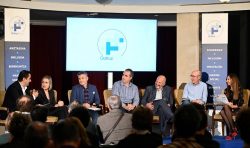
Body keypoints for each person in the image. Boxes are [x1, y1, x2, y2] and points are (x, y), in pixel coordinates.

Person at [221, 73, 244, 140]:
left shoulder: (239, 89)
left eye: (228, 79)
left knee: (223, 110)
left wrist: (234, 106)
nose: (226, 81)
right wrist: (227, 103)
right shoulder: (226, 90)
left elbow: (241, 101)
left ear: (233, 80)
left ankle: (232, 131)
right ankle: (233, 130)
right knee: (223, 110)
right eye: (226, 79)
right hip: (228, 109)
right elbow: (225, 101)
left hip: (237, 109)